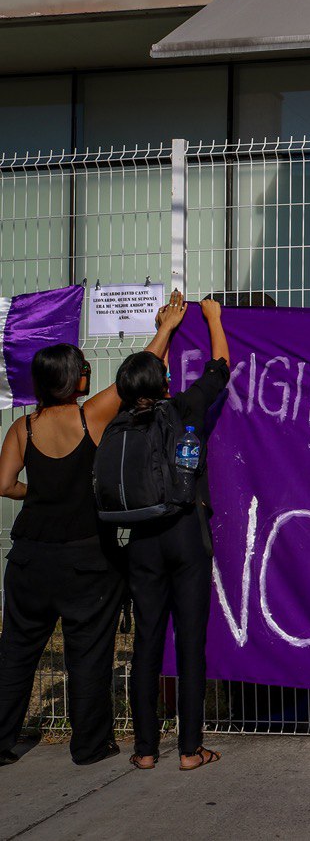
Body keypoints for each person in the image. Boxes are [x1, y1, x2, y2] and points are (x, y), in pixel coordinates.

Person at [0, 291, 188, 766]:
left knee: (16, 654)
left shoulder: (22, 428)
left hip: (29, 559)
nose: (87, 371)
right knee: (88, 655)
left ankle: (1, 742)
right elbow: (139, 373)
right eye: (82, 366)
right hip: (86, 560)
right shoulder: (90, 417)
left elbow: (4, 485)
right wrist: (166, 326)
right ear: (71, 377)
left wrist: (38, 496)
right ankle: (89, 746)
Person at [118, 296, 229, 772]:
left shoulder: (116, 422)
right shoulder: (185, 407)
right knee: (190, 643)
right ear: (165, 381)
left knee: (146, 643)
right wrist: (212, 318)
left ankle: (144, 750)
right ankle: (189, 749)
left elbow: (137, 377)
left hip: (142, 539)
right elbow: (220, 367)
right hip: (186, 532)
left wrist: (162, 329)